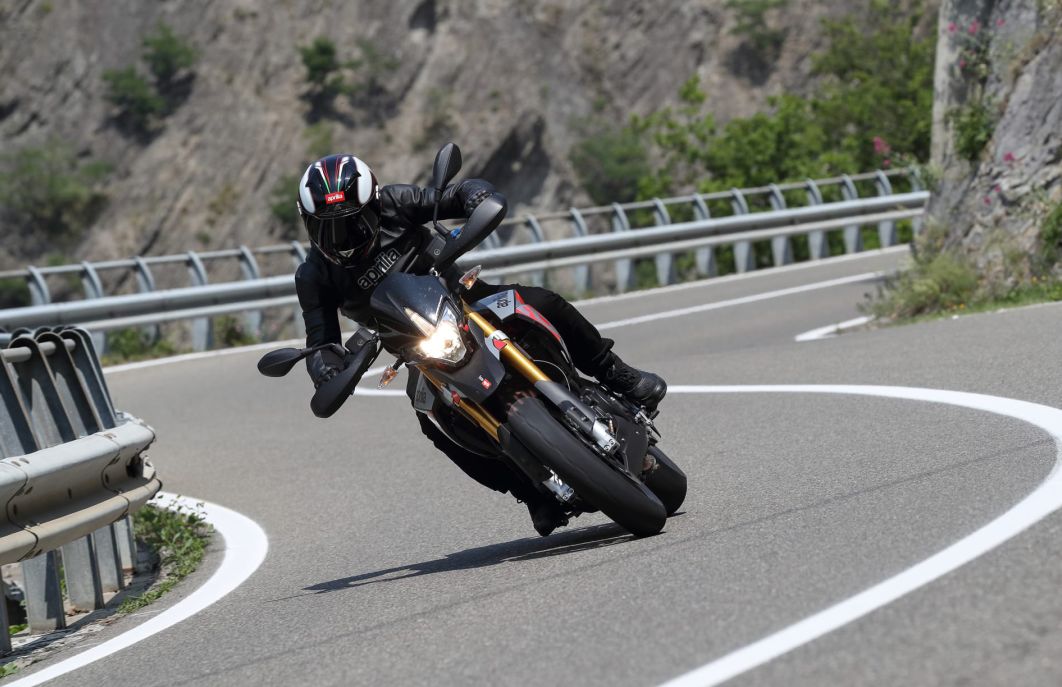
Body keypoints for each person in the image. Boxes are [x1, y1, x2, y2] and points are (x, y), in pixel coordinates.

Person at [294, 153, 666, 536]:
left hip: (466, 299)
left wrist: (474, 195)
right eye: (328, 230)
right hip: (417, 351)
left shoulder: (394, 202)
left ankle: (617, 374)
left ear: (373, 208)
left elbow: (453, 195)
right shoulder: (313, 276)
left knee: (541, 302)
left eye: (353, 224)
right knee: (433, 422)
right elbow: (320, 339)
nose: (342, 239)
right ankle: (528, 492)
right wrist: (325, 370)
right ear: (308, 225)